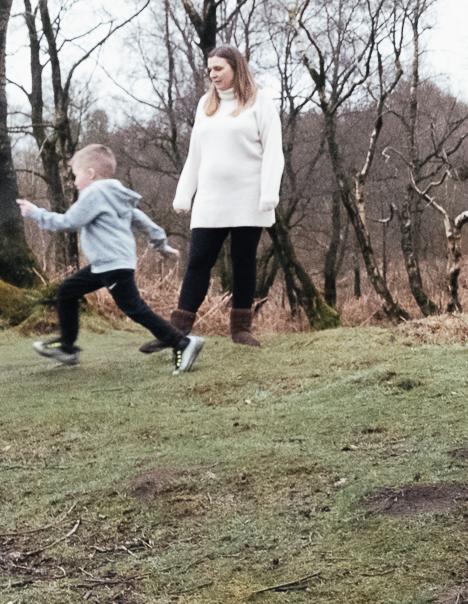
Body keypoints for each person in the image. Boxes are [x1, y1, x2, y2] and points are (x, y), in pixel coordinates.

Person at [143, 44, 284, 351]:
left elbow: (274, 151)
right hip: (210, 199)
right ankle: (175, 333)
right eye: (210, 70)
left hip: (249, 198)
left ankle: (241, 331)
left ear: (236, 68)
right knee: (198, 262)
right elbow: (196, 154)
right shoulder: (206, 104)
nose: (213, 75)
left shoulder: (260, 104)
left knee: (243, 262)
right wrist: (184, 195)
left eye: (219, 68)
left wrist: (269, 194)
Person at [18, 144, 206, 373]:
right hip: (106, 264)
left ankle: (182, 343)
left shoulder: (94, 193)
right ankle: (67, 348)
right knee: (68, 290)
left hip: (112, 264)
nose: (75, 181)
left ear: (90, 173)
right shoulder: (115, 195)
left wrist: (34, 212)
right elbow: (142, 220)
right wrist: (161, 244)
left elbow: (68, 221)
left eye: (76, 175)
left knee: (135, 309)